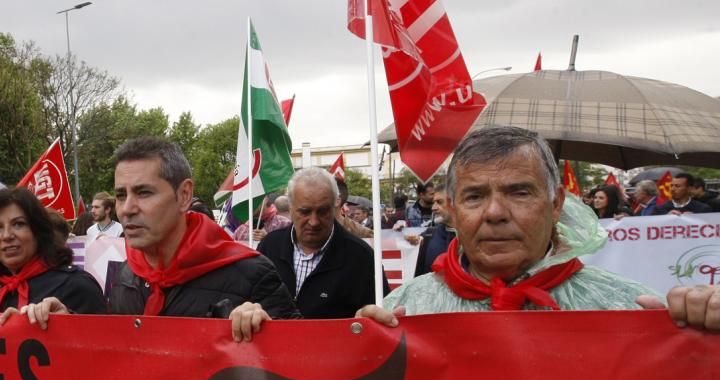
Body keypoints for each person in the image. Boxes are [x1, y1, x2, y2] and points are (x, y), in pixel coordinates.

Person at [356, 126, 720, 331]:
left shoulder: (631, 308)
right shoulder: (405, 310)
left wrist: (699, 338)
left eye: (519, 192)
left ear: (557, 203)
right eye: (475, 196)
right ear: (451, 210)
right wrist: (362, 353)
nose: (495, 212)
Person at [10, 137, 298, 341]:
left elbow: (300, 373)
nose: (127, 208)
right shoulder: (127, 273)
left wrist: (269, 331)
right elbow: (120, 355)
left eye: (144, 193)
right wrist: (69, 323)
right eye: (121, 195)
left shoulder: (252, 274)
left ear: (184, 195)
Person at [257, 167, 384, 319]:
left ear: (335, 207)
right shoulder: (268, 247)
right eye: (304, 211)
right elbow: (250, 298)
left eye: (323, 212)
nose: (314, 221)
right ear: (290, 209)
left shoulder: (362, 257)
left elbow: (381, 314)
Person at [0, 187, 106, 316]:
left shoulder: (76, 286)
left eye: (18, 224)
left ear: (38, 230)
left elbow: (106, 335)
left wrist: (67, 321)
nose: (6, 235)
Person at [414, 188, 454, 277]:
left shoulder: (473, 238)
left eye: (439, 202)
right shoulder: (429, 235)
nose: (433, 208)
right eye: (433, 203)